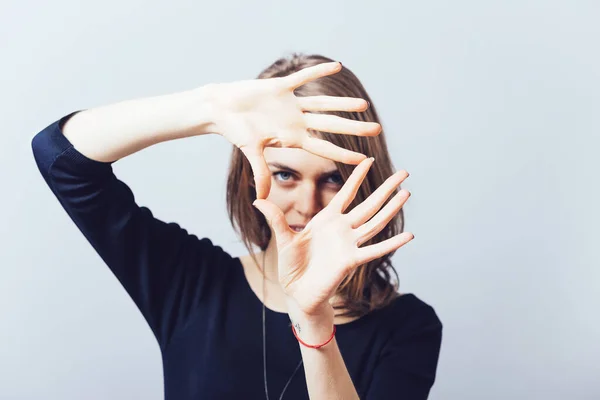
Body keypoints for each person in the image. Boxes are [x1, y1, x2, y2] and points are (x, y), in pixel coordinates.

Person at [31, 53, 442, 399]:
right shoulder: (191, 283)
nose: (307, 205)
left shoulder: (409, 328)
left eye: (332, 178)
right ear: (250, 178)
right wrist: (209, 109)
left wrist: (312, 320)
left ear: (363, 185)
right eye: (285, 175)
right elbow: (60, 157)